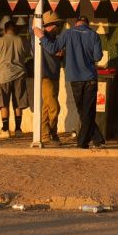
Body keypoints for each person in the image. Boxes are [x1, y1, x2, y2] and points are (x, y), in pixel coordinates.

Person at [34, 15, 105, 149]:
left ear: (76, 23)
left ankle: (86, 142)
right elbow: (97, 56)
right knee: (88, 111)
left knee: (82, 111)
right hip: (90, 78)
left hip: (75, 78)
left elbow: (53, 48)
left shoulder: (68, 33)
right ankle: (94, 140)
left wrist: (41, 36)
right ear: (87, 24)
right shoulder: (94, 35)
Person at [0, 20, 31, 139]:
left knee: (4, 103)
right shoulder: (22, 40)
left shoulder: (0, 41)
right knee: (18, 102)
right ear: (15, 29)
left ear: (5, 30)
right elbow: (29, 53)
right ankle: (18, 129)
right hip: (19, 75)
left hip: (4, 75)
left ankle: (5, 129)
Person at [40, 11, 65, 144]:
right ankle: (50, 132)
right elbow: (50, 50)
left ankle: (48, 134)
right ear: (50, 25)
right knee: (55, 107)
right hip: (46, 76)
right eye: (56, 25)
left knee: (47, 107)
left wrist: (62, 53)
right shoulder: (41, 37)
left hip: (55, 74)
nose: (58, 27)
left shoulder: (55, 39)